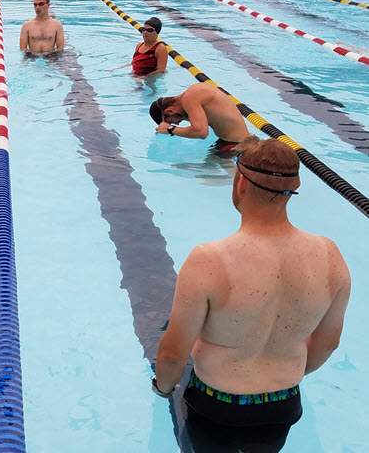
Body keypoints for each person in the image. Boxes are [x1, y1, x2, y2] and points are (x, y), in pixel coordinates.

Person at [152, 136, 350, 453]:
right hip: (283, 403)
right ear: (294, 188)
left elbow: (173, 353)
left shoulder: (209, 259)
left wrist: (162, 390)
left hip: (216, 403)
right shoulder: (330, 255)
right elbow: (328, 342)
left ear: (240, 182)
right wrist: (283, 375)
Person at [150, 83, 250, 158]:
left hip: (236, 146)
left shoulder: (189, 99)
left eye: (171, 121)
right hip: (236, 141)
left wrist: (170, 129)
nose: (177, 123)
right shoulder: (194, 90)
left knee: (204, 178)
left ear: (169, 111)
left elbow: (201, 132)